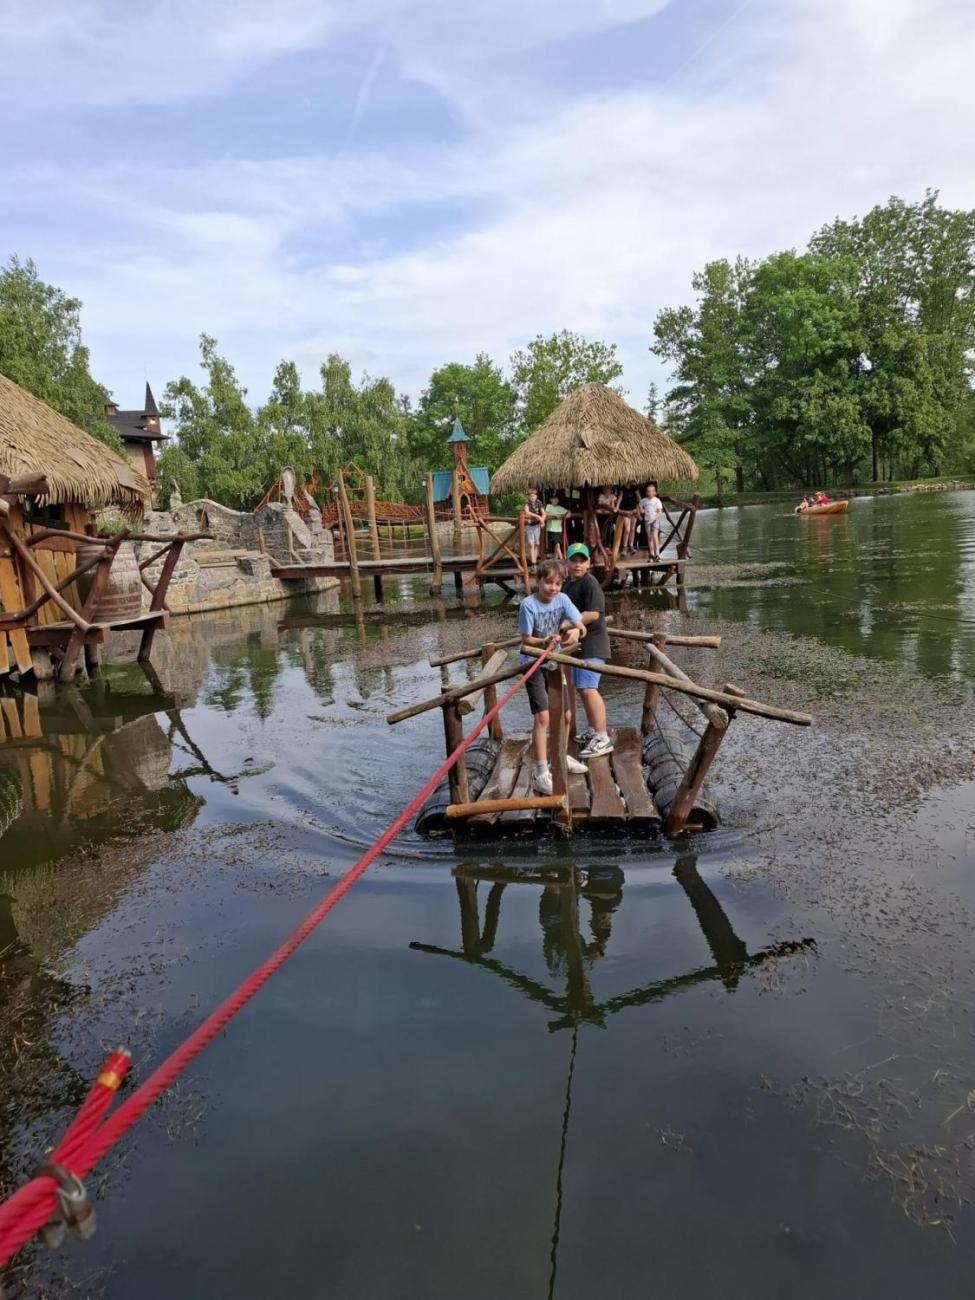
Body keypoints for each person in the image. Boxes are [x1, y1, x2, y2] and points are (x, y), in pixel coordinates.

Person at [518, 559, 587, 794]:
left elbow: (581, 625)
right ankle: (540, 772)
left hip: (554, 663)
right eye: (548, 583)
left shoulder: (563, 600)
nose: (553, 588)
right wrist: (545, 641)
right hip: (533, 663)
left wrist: (574, 630)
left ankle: (560, 758)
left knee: (567, 715)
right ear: (538, 581)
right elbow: (526, 639)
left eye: (558, 583)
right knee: (543, 718)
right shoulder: (528, 605)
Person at [562, 542, 614, 759]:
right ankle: (594, 731)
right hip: (578, 646)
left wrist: (567, 624)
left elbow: (593, 614)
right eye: (573, 560)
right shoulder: (567, 584)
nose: (577, 565)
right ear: (566, 563)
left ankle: (602, 737)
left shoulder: (590, 583)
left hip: (593, 643)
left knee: (588, 687)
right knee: (581, 688)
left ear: (589, 563)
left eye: (581, 560)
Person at [639, 482, 664, 560]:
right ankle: (652, 554)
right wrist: (641, 512)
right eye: (648, 491)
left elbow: (660, 512)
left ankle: (657, 554)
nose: (650, 493)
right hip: (647, 521)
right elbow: (639, 506)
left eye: (651, 491)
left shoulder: (657, 501)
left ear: (654, 492)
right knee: (649, 537)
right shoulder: (644, 500)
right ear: (646, 492)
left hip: (655, 521)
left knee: (655, 536)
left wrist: (653, 519)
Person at [544, 491, 570, 559]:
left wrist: (568, 515)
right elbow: (546, 513)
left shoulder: (560, 508)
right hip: (551, 529)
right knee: (557, 545)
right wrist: (555, 515)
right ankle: (562, 559)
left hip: (559, 529)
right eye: (553, 499)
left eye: (556, 499)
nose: (555, 500)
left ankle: (555, 560)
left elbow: (568, 512)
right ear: (550, 500)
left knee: (556, 545)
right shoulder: (549, 506)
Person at [523, 488, 544, 566]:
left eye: (534, 496)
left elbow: (543, 513)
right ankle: (533, 563)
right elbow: (527, 512)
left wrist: (542, 520)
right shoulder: (527, 503)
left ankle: (534, 560)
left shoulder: (539, 502)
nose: (532, 497)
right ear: (529, 497)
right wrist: (538, 517)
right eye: (531, 496)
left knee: (536, 544)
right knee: (531, 544)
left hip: (537, 526)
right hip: (529, 526)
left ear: (536, 496)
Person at [617, 483, 640, 554]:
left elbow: (639, 499)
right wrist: (617, 508)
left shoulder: (634, 488)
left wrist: (638, 508)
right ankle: (624, 547)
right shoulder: (622, 489)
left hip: (633, 511)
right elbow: (619, 500)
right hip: (625, 512)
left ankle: (631, 546)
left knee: (633, 529)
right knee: (627, 529)